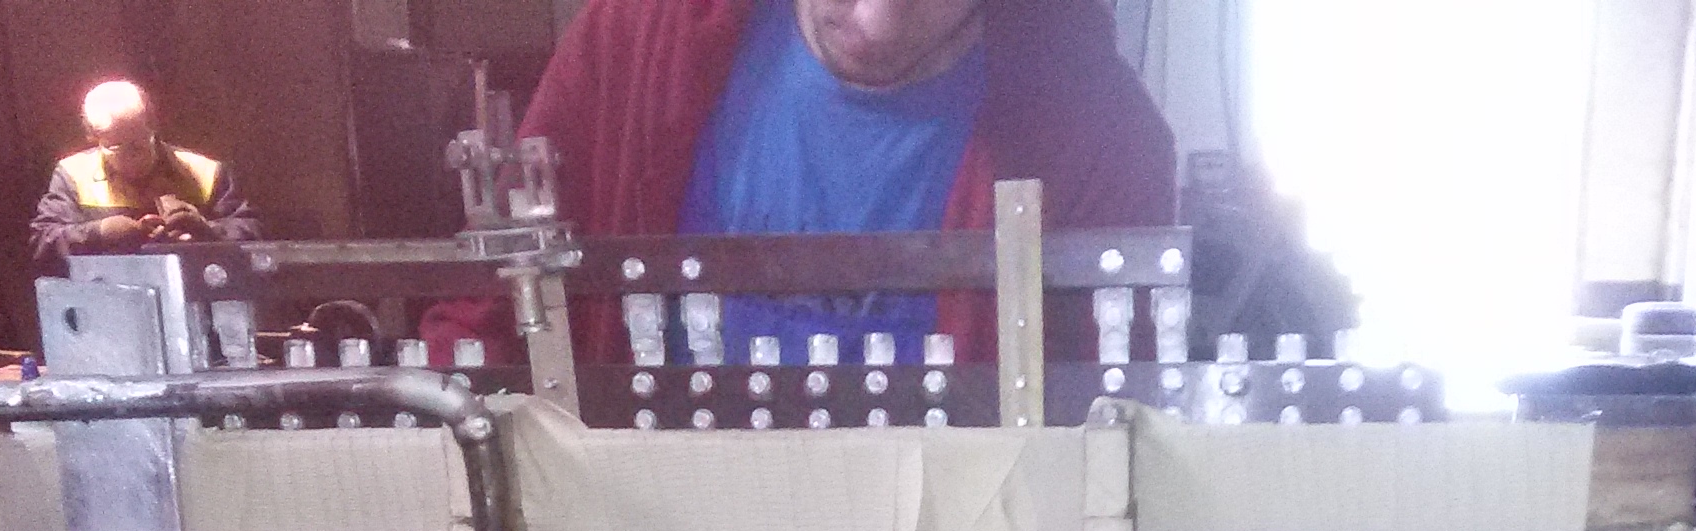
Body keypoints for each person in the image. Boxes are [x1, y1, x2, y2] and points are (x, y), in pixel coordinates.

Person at [467, 0, 1174, 363]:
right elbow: (484, 321)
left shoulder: (1098, 137)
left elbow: (1110, 435)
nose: (875, 23)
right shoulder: (638, 43)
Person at [29, 80, 258, 279]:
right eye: (116, 148)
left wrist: (206, 230)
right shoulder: (74, 174)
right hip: (110, 298)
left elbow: (253, 235)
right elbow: (43, 242)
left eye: (138, 145)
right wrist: (99, 233)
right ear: (93, 137)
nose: (130, 158)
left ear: (153, 127)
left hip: (191, 294)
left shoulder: (205, 172)